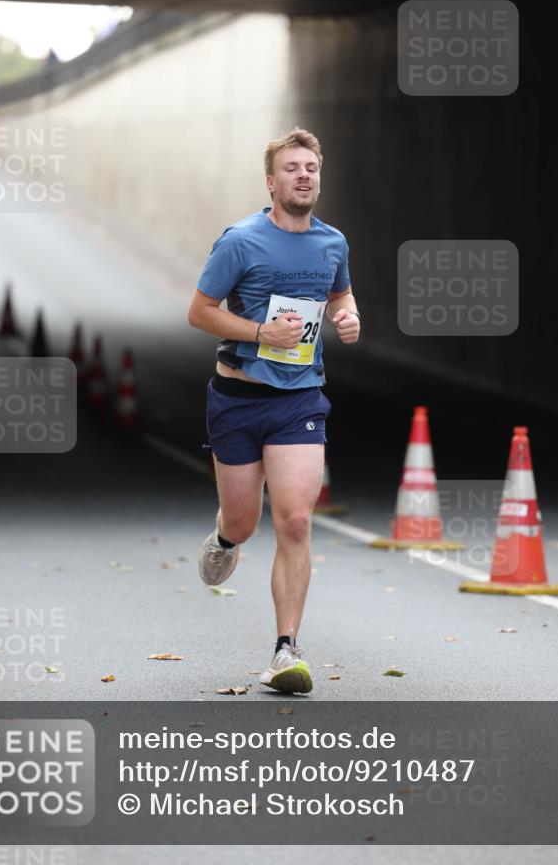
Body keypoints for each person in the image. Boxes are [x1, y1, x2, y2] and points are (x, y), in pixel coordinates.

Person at [187, 127, 360, 694]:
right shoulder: (240, 240)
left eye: (311, 167)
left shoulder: (332, 243)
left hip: (300, 399)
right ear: (271, 181)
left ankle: (286, 650)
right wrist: (262, 330)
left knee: (295, 519)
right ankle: (226, 538)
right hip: (238, 396)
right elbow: (200, 311)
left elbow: (339, 292)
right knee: (245, 520)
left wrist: (347, 316)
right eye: (292, 168)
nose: (304, 175)